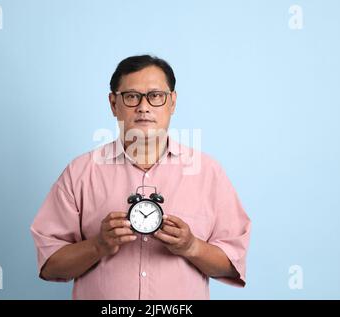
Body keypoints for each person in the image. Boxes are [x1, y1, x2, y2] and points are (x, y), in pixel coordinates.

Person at [30, 55, 251, 299]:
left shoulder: (208, 173)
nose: (144, 107)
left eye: (156, 96)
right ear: (114, 104)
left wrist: (192, 246)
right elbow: (50, 265)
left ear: (172, 102)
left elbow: (232, 263)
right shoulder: (80, 172)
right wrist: (98, 245)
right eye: (132, 96)